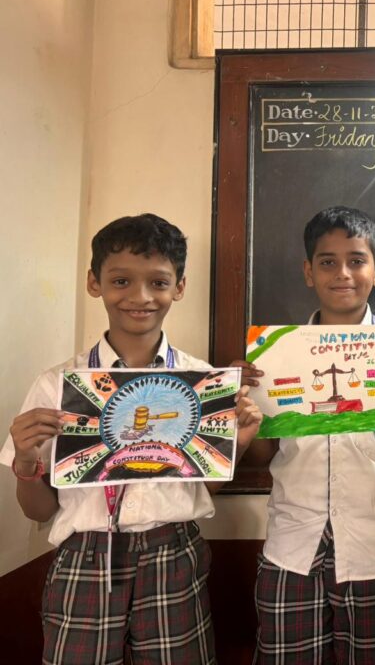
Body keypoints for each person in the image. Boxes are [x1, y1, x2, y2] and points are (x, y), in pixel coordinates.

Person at [1, 213, 263, 665]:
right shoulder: (58, 384)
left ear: (179, 286)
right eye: (121, 280)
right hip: (83, 555)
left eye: (158, 283)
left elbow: (204, 487)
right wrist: (26, 460)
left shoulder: (202, 381)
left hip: (173, 551)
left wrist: (236, 444)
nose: (140, 297)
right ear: (94, 283)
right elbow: (39, 511)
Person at [239, 205, 375, 665]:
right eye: (328, 262)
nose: (343, 273)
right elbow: (263, 453)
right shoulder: (275, 351)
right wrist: (244, 413)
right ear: (308, 272)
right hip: (293, 540)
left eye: (356, 260)